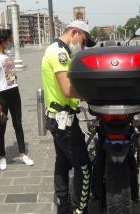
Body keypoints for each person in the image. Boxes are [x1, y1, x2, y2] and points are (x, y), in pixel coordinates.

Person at [41, 20, 96, 214]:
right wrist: (95, 93)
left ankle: (63, 205)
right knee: (84, 168)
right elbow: (67, 89)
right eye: (83, 41)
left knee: (62, 163)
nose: (82, 46)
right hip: (63, 120)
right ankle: (79, 209)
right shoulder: (60, 53)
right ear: (74, 32)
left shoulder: (61, 51)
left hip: (59, 118)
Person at [0, 29, 34, 171]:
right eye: (9, 39)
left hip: (14, 92)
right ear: (2, 40)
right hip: (1, 95)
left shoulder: (7, 54)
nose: (10, 42)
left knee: (18, 124)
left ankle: (22, 154)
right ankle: (2, 156)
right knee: (2, 126)